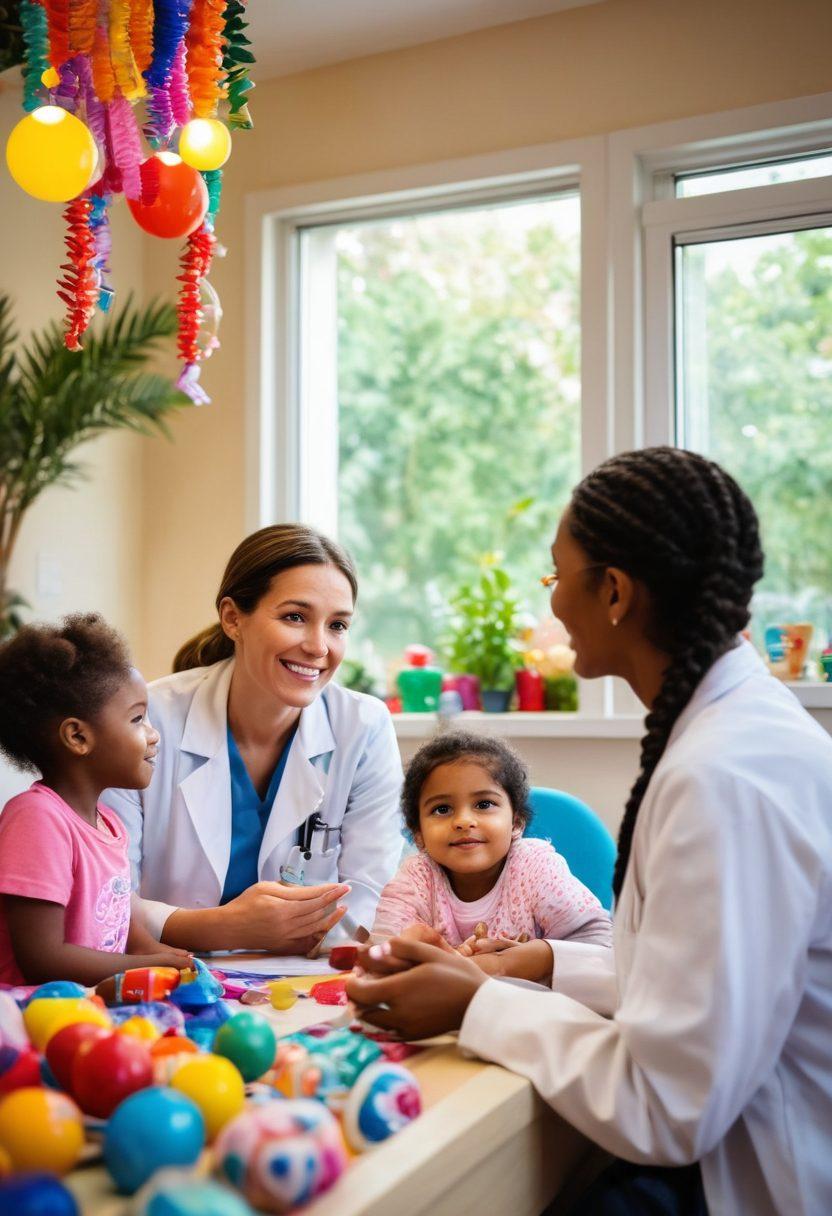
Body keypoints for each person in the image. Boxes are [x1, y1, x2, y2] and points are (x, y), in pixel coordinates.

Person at [348, 447, 832, 1216]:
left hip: (756, 1174)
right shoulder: (728, 736)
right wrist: (529, 968)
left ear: (612, 592)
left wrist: (475, 1006)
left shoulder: (723, 776)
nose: (553, 607)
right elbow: (688, 987)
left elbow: (667, 1103)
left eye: (555, 578)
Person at [104, 524, 404, 956]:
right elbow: (107, 898)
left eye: (337, 625)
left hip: (304, 978)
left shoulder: (363, 727)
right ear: (232, 618)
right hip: (167, 973)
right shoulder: (147, 719)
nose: (319, 646)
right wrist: (222, 928)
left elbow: (369, 899)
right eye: (295, 617)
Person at [0, 614, 192, 985]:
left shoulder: (107, 822)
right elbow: (43, 959)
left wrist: (158, 951)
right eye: (137, 719)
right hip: (34, 1017)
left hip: (89, 1008)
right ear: (77, 737)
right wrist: (146, 966)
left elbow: (119, 911)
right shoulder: (36, 819)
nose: (153, 735)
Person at [372, 731, 611, 958]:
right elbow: (380, 954)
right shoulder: (416, 878)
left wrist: (530, 958)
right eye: (442, 809)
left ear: (516, 823)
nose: (464, 821)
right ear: (419, 835)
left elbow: (601, 944)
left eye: (484, 804)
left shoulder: (534, 867)